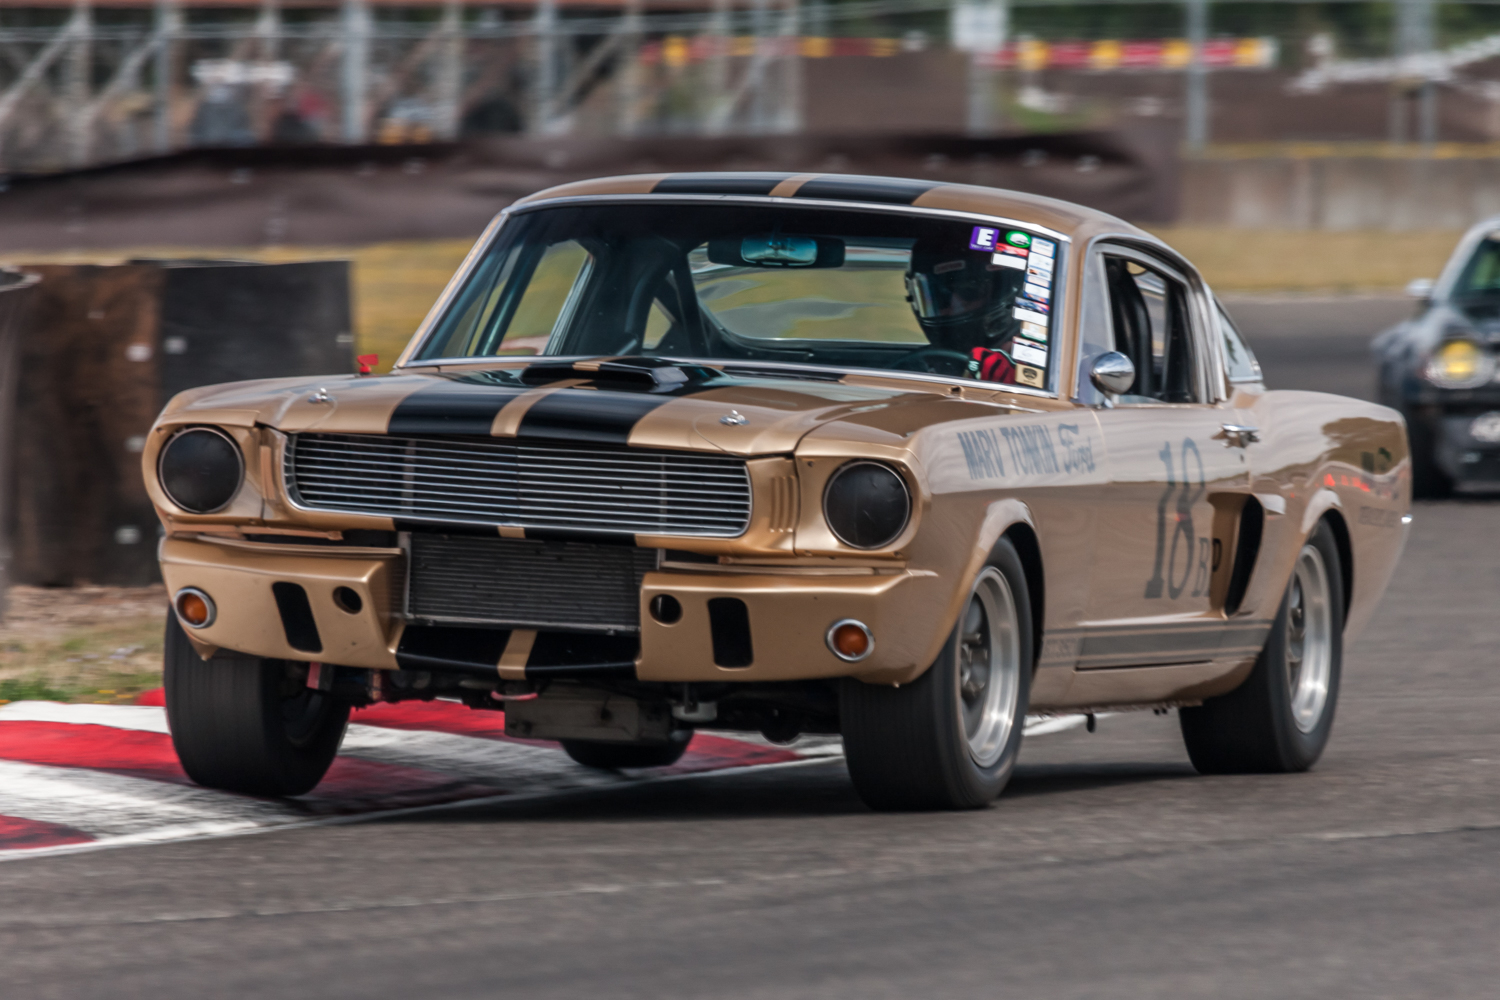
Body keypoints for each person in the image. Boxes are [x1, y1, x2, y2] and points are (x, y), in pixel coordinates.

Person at [904, 238, 1027, 384]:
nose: (952, 308)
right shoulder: (919, 365)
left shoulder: (1037, 363)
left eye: (968, 291)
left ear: (1003, 292)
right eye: (937, 296)